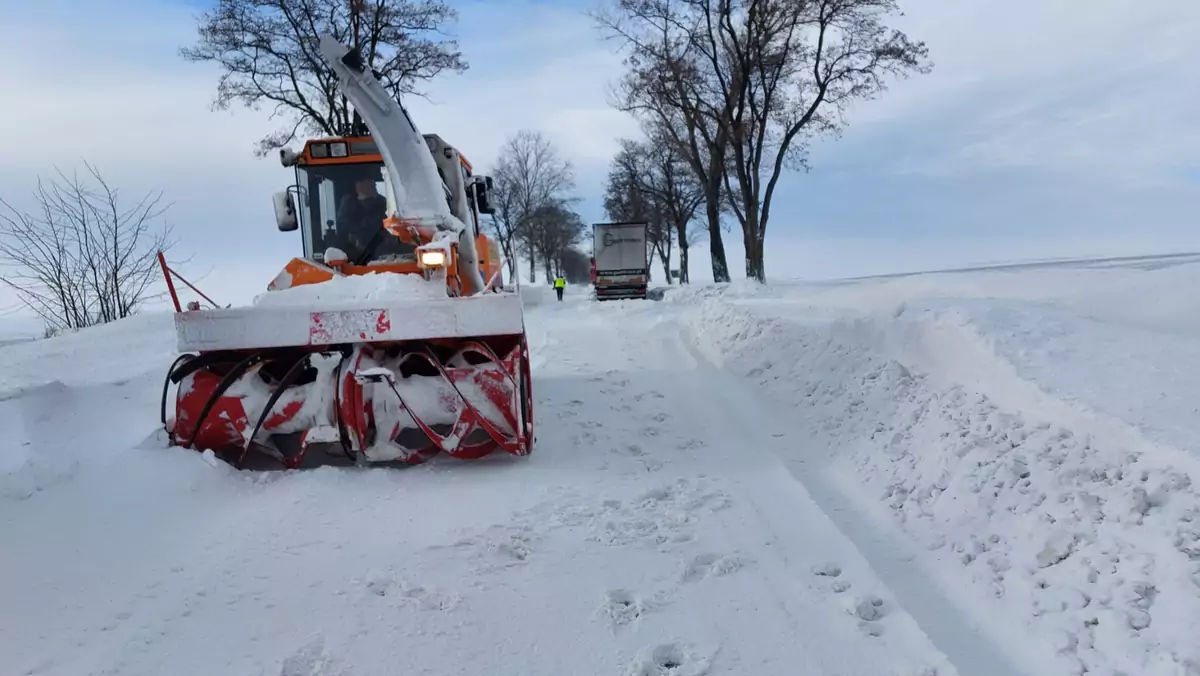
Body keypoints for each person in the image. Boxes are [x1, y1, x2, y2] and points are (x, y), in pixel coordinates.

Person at [332, 176, 413, 261]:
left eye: (373, 183)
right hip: (355, 262)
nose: (373, 185)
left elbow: (396, 231)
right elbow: (343, 234)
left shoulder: (387, 206)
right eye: (368, 182)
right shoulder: (348, 209)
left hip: (390, 259)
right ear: (357, 185)